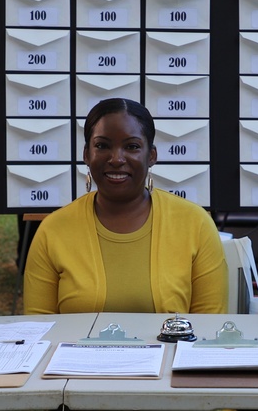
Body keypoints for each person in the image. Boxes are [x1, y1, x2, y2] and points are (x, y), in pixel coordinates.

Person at [23, 98, 227, 315]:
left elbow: (209, 328)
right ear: (86, 154)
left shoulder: (195, 224)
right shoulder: (53, 230)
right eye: (102, 146)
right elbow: (39, 330)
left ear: (151, 156)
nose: (117, 159)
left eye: (132, 146)